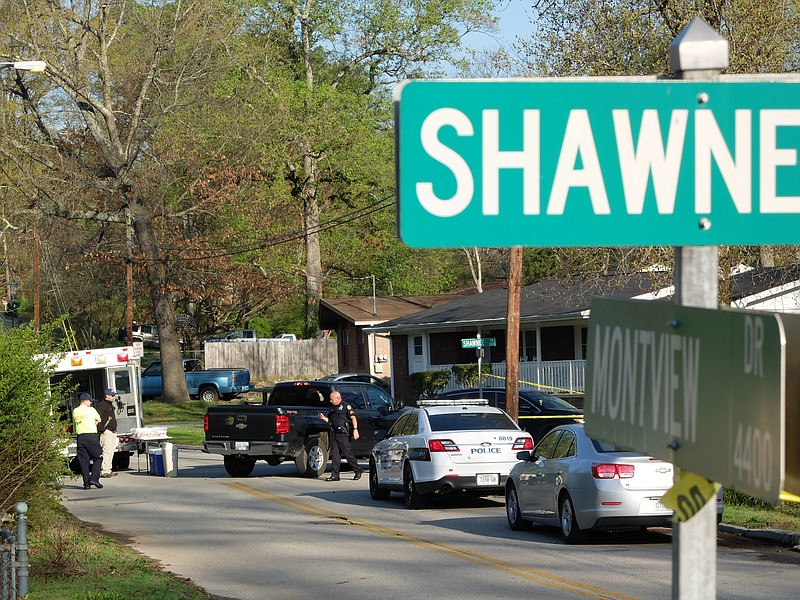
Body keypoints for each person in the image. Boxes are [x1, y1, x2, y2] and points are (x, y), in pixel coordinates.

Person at [318, 391, 364, 481]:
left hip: (343, 434)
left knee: (347, 453)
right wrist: (323, 418)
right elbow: (330, 421)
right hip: (335, 434)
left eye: (332, 399)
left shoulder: (346, 407)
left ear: (338, 398)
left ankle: (358, 470)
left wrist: (355, 430)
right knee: (335, 455)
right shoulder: (332, 409)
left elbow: (353, 418)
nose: (330, 401)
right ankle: (335, 475)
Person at [72, 392, 103, 489]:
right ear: (85, 401)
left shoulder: (75, 411)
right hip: (91, 436)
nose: (91, 402)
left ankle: (86, 483)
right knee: (98, 458)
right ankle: (94, 478)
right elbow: (99, 420)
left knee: (84, 461)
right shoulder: (91, 410)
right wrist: (95, 422)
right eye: (90, 401)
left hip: (81, 437)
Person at [97, 388, 119, 478]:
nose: (114, 397)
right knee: (107, 451)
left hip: (113, 431)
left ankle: (109, 469)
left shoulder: (110, 405)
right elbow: (98, 419)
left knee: (111, 451)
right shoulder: (101, 405)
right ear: (107, 396)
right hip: (107, 432)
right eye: (112, 395)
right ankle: (104, 471)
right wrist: (102, 429)